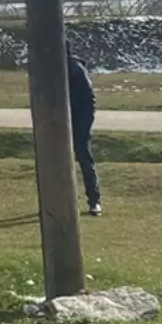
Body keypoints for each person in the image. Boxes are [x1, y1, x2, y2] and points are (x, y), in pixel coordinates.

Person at [66, 41, 102, 217]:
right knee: (56, 164)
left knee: (84, 159)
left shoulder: (75, 69)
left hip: (79, 121)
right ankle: (60, 202)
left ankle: (94, 201)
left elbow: (89, 100)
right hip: (59, 123)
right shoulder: (50, 69)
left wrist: (83, 125)